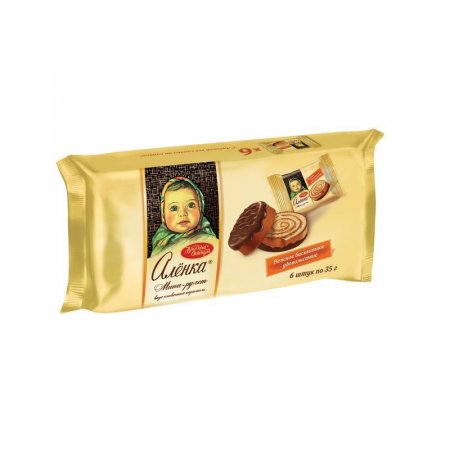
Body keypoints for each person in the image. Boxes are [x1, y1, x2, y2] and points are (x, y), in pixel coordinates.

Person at [151, 177, 217, 257]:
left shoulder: (208, 240)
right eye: (174, 208)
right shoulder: (160, 240)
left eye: (191, 205)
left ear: (200, 207)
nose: (183, 213)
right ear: (163, 214)